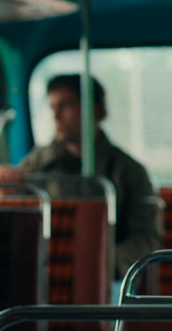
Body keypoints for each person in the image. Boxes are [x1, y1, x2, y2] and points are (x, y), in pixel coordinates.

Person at [0, 75, 163, 285]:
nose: (56, 116)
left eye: (66, 106)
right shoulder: (36, 164)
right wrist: (6, 191)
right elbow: (17, 224)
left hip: (108, 279)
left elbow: (147, 237)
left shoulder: (129, 172)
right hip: (45, 275)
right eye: (52, 107)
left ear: (95, 110)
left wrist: (102, 263)